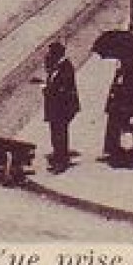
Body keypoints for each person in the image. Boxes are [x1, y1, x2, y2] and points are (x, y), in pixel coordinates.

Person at [102, 57, 133, 168]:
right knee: (121, 132)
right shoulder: (121, 70)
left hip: (132, 108)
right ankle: (119, 155)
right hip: (119, 108)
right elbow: (115, 87)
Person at [42, 42, 80, 173]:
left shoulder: (66, 67)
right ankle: (58, 155)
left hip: (63, 108)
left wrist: (48, 89)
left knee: (60, 133)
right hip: (56, 107)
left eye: (51, 54)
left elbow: (62, 88)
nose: (48, 56)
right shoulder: (56, 67)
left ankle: (61, 161)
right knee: (56, 132)